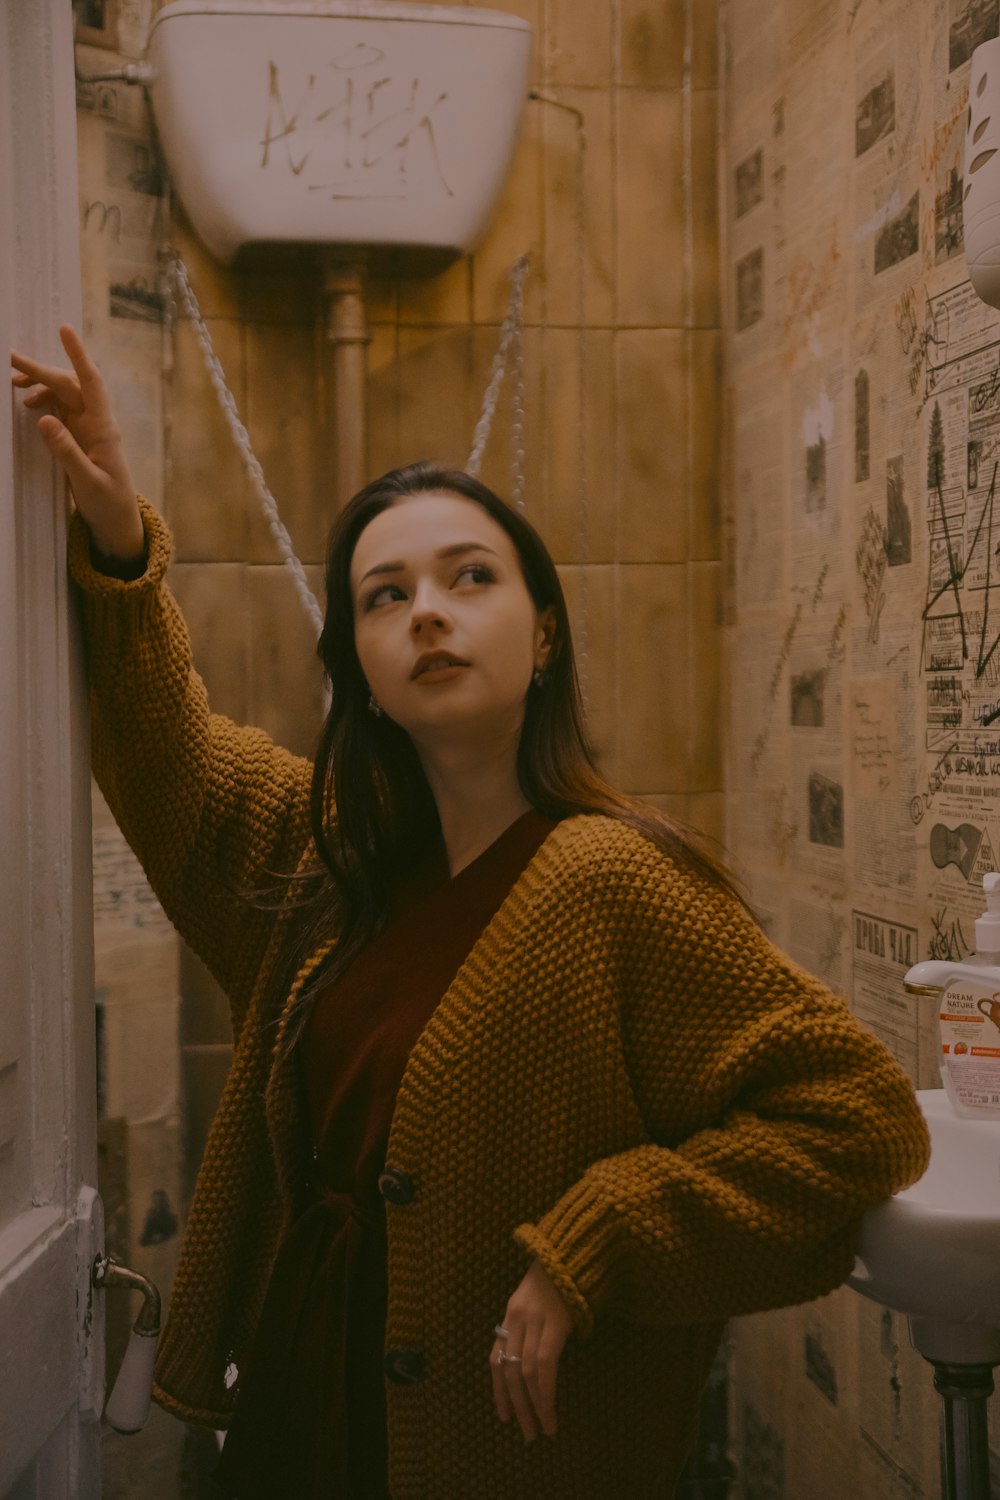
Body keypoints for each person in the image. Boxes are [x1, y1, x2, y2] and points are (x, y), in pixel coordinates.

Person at [11, 327, 930, 1499]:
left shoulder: (618, 883)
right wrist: (115, 530)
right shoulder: (320, 857)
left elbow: (854, 1123)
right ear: (361, 665)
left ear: (544, 633)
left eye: (469, 577)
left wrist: (592, 1241)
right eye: (385, 598)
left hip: (504, 1455)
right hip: (302, 1416)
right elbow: (163, 751)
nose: (427, 613)